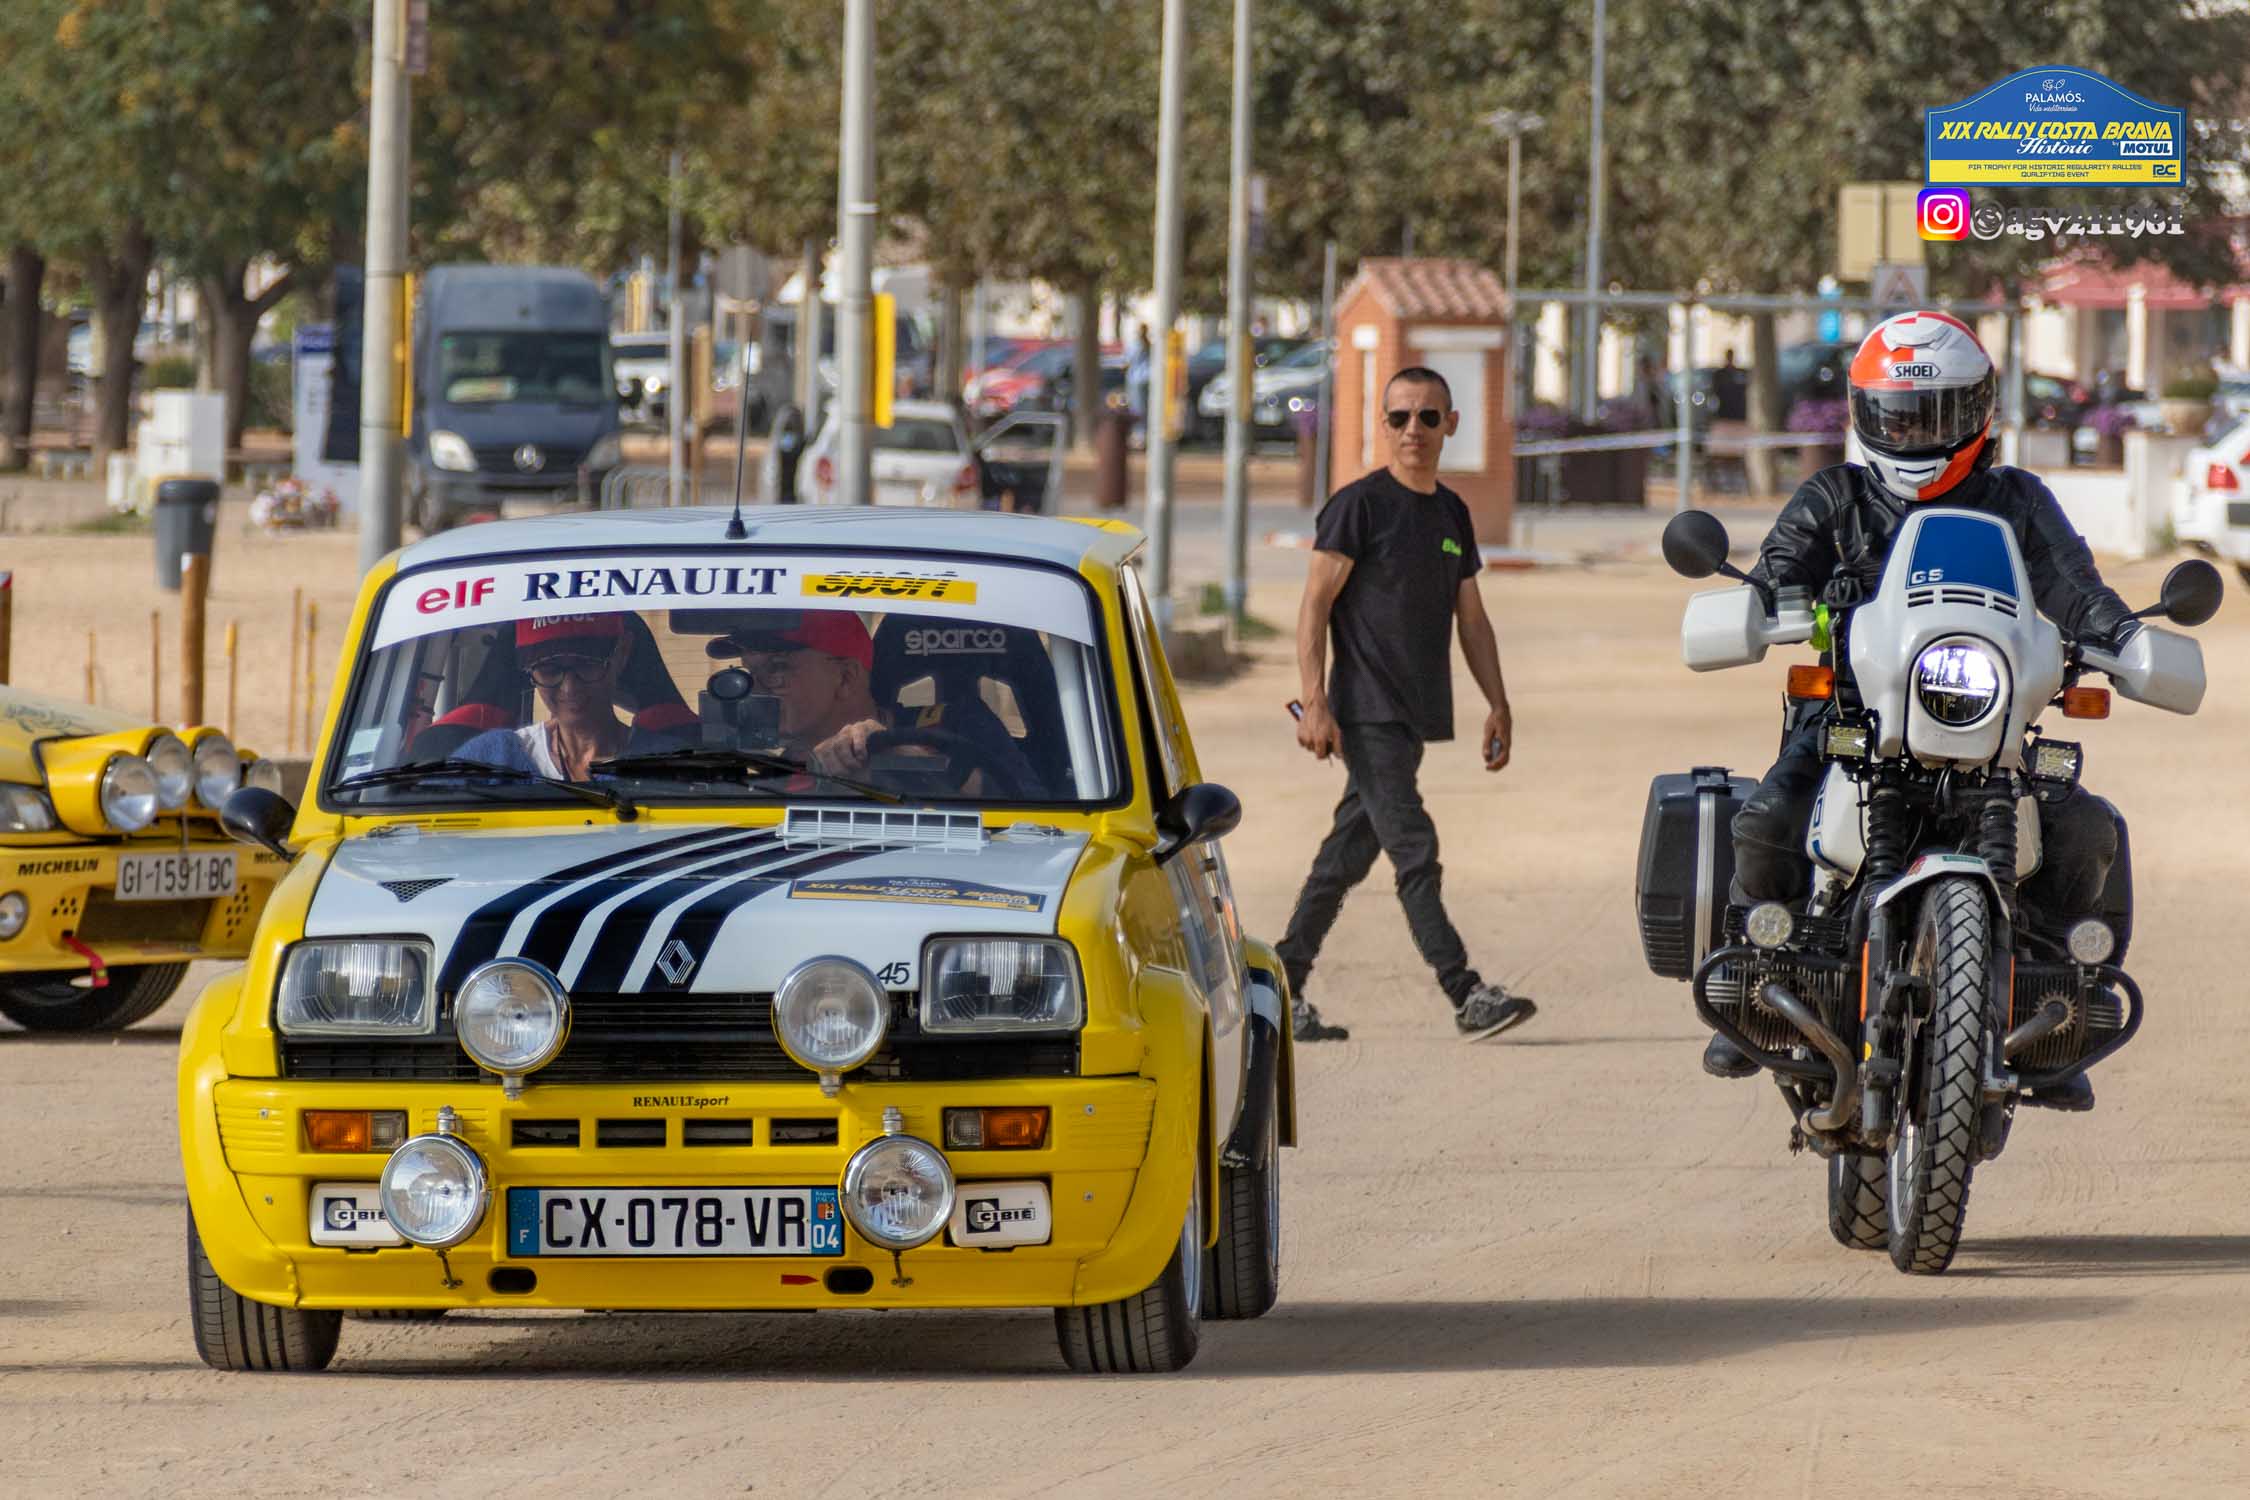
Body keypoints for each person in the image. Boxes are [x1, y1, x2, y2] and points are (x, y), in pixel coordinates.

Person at [1706, 309, 2135, 1107]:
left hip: (1989, 718)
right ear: (1866, 415)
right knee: (1766, 817)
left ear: (1977, 413)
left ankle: (2060, 1009)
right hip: (1851, 715)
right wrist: (1755, 606)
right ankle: (1753, 986)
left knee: (2086, 830)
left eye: (1933, 416)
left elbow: (2075, 586)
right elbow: (1777, 569)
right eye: (1896, 416)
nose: (1912, 434)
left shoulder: (2018, 501)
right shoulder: (1836, 496)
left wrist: (2125, 635)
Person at [1278, 366, 1536, 1044]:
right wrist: (1314, 701)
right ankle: (1464, 990)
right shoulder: (1358, 507)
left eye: (1427, 416)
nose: (1412, 429)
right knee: (1414, 849)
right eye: (1399, 417)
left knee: (1344, 858)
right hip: (1366, 713)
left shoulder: (1450, 513)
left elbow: (1471, 618)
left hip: (1414, 716)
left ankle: (1278, 988)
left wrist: (1499, 703)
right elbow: (1314, 606)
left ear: (1450, 424)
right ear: (1383, 424)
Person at [725, 612, 1037, 798]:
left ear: (846, 677)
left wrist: (906, 760)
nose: (757, 689)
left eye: (778, 669)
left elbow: (1035, 810)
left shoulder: (955, 723)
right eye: (749, 673)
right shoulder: (767, 773)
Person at [456, 615, 638, 779]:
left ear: (622, 652)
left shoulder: (654, 764)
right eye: (549, 670)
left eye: (587, 664)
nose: (569, 688)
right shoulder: (489, 760)